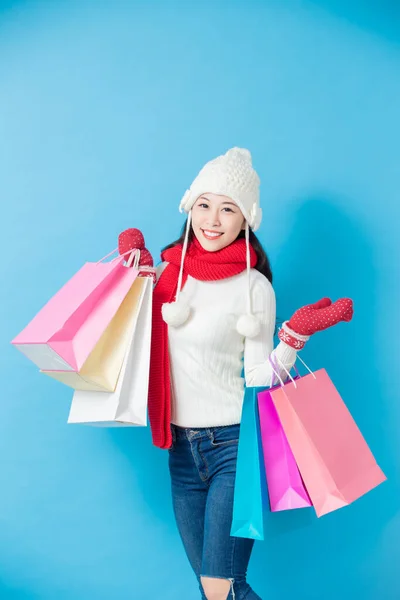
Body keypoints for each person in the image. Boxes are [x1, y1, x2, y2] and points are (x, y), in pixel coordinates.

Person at [119, 148, 353, 600]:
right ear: (190, 207)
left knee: (218, 585)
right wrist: (130, 273)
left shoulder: (253, 287)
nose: (213, 219)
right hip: (181, 450)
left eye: (228, 208)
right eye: (205, 204)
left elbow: (259, 378)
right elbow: (126, 340)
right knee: (219, 589)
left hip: (234, 445)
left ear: (246, 219)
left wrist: (293, 338)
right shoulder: (167, 275)